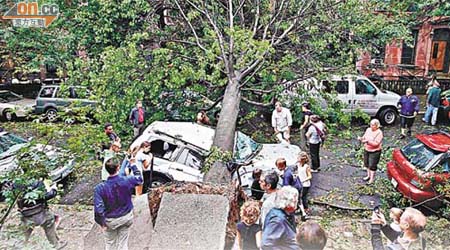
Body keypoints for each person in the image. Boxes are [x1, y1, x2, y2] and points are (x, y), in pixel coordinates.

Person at [94, 157, 143, 250]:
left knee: (110, 244)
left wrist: (102, 223)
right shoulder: (127, 180)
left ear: (106, 169)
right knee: (123, 243)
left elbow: (98, 209)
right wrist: (133, 165)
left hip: (110, 221)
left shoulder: (99, 188)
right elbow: (139, 179)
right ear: (118, 168)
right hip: (126, 217)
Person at [17, 179, 67, 249]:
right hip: (41, 212)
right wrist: (53, 190)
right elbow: (47, 196)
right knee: (50, 223)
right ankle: (55, 244)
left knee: (24, 233)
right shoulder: (37, 182)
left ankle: (18, 246)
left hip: (26, 214)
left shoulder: (16, 182)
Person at [358, 119, 383, 185]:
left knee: (372, 165)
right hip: (367, 149)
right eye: (371, 125)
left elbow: (376, 143)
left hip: (375, 151)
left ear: (377, 126)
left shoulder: (379, 133)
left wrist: (367, 141)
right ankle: (368, 176)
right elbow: (364, 137)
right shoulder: (368, 130)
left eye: (373, 125)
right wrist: (361, 138)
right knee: (366, 163)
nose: (371, 126)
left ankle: (372, 179)